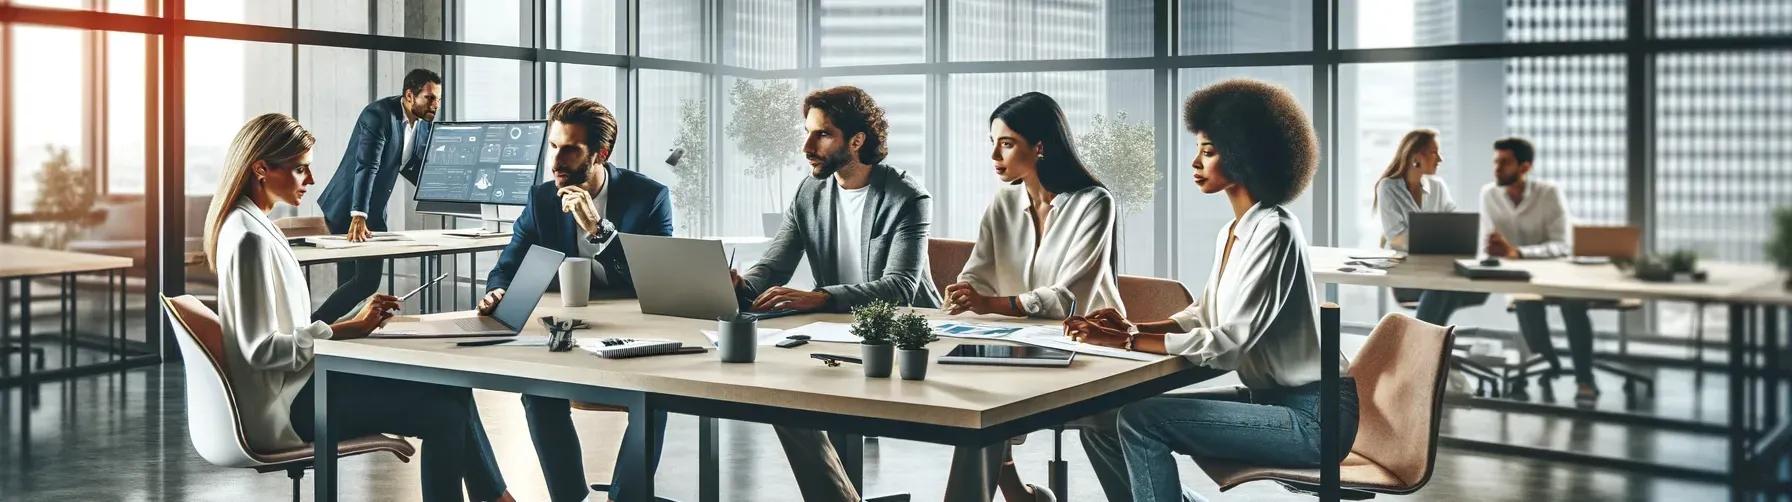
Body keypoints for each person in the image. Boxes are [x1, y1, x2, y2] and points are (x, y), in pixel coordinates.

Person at [1062, 79, 1357, 502]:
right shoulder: (1234, 231)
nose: (1195, 163)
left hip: (1314, 418)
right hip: (1272, 401)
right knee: (1101, 421)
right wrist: (1132, 326)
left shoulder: (1275, 231)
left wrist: (1128, 340)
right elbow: (1204, 315)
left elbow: (1230, 343)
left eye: (1208, 151)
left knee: (1143, 421)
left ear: (1243, 155)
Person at [203, 113, 511, 502]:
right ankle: (497, 498)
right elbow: (261, 350)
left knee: (451, 388)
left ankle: (497, 497)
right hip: (288, 407)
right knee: (445, 412)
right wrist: (348, 329)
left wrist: (355, 319)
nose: (311, 181)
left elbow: (287, 332)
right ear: (261, 169)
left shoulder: (254, 226)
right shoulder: (248, 238)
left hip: (300, 384)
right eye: (301, 170)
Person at [730, 85, 940, 502]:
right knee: (782, 398)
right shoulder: (810, 192)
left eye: (822, 134)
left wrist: (820, 297)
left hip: (905, 335)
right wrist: (738, 285)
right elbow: (774, 265)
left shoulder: (905, 195)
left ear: (857, 140)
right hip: (835, 334)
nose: (807, 145)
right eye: (808, 133)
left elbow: (901, 287)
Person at [475, 97, 674, 502]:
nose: (556, 160)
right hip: (567, 336)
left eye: (569, 149)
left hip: (638, 337)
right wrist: (497, 291)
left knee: (655, 399)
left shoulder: (648, 198)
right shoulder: (542, 200)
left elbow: (656, 283)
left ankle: (625, 497)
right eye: (553, 146)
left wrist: (599, 231)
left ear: (601, 153)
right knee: (537, 389)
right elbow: (507, 266)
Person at [941, 91, 1122, 502]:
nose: (994, 155)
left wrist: (991, 304)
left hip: (1087, 350)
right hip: (1021, 345)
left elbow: (1067, 300)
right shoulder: (1003, 202)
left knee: (983, 401)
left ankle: (1017, 494)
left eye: (1006, 143)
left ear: (1039, 146)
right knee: (970, 396)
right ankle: (1017, 493)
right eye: (993, 142)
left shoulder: (1094, 203)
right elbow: (979, 273)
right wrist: (964, 293)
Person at [313, 68, 444, 323]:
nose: (436, 105)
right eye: (429, 98)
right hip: (349, 208)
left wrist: (447, 192)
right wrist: (358, 215)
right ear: (409, 96)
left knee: (354, 283)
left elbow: (410, 165)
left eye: (438, 98)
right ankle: (315, 325)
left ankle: (333, 331)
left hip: (374, 211)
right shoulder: (378, 115)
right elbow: (367, 165)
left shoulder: (423, 125)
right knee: (364, 281)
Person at [1480, 136, 1599, 406]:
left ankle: (1584, 379)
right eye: (1495, 162)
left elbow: (1562, 245)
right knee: (1528, 309)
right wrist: (1495, 250)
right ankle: (1551, 363)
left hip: (1561, 272)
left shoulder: (1548, 193)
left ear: (1525, 167)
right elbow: (1490, 240)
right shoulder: (1489, 194)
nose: (1497, 168)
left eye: (1505, 162)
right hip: (1521, 276)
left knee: (1573, 306)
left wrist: (1518, 252)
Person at [1373, 129, 1487, 324]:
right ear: (1416, 157)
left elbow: (1455, 225)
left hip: (1439, 269)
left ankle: (1427, 347)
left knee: (1476, 288)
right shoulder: (1389, 187)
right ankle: (1429, 345)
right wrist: (1440, 240)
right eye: (1434, 152)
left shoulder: (1438, 186)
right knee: (1441, 288)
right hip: (1406, 272)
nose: (1440, 159)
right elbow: (1396, 237)